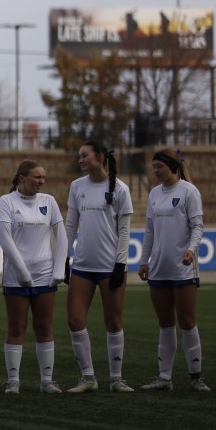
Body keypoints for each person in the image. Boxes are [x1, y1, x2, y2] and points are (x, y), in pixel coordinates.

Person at [64, 140, 135, 393]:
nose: (80, 160)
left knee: (114, 322)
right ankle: (88, 378)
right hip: (82, 266)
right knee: (74, 319)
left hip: (110, 267)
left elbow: (125, 231)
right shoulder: (76, 186)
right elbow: (71, 225)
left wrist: (120, 264)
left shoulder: (121, 189)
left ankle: (116, 379)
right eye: (78, 156)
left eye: (84, 155)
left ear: (100, 157)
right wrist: (64, 257)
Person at [138, 148, 209, 392]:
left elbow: (198, 226)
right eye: (153, 166)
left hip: (183, 269)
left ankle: (196, 377)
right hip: (158, 268)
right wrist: (144, 260)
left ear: (173, 167)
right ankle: (164, 378)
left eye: (160, 166)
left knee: (187, 321)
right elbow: (149, 230)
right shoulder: (154, 194)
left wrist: (191, 250)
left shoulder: (189, 191)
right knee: (165, 323)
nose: (155, 171)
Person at [0, 159, 67, 395]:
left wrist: (58, 270)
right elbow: (5, 240)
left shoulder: (49, 201)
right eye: (37, 177)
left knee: (44, 326)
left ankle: (47, 381)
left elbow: (62, 237)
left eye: (43, 177)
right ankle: (13, 381)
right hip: (16, 276)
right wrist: (23, 273)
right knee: (16, 327)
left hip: (45, 276)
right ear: (22, 178)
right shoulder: (6, 201)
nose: (42, 181)